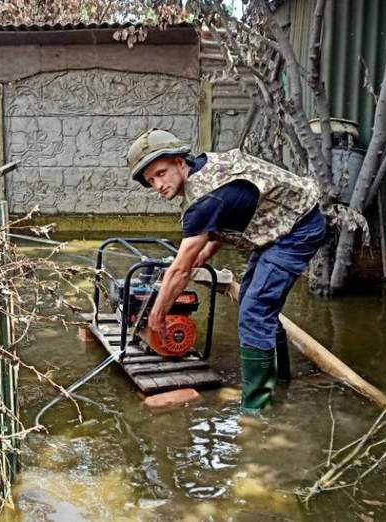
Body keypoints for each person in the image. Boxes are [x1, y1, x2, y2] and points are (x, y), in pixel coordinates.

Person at [126, 128, 326, 414]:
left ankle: (257, 409)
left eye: (161, 173)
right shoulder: (205, 168)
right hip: (278, 224)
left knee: (255, 310)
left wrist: (157, 314)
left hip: (297, 229)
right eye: (150, 180)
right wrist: (207, 250)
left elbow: (180, 270)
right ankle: (279, 379)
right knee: (252, 302)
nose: (158, 184)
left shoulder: (202, 202)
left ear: (180, 162)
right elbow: (233, 209)